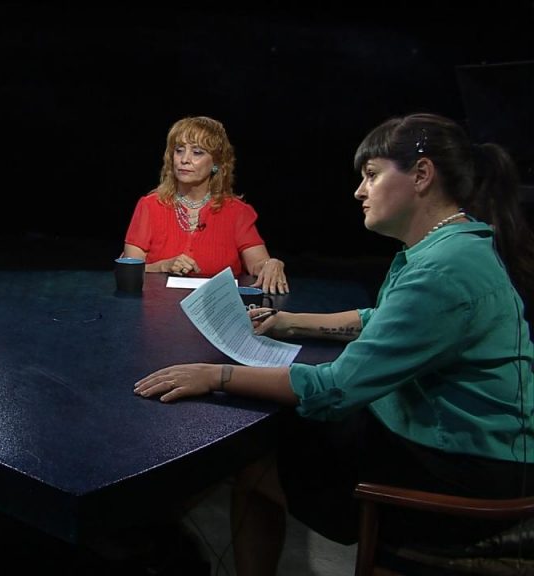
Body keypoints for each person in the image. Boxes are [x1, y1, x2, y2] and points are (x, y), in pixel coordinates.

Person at [133, 113, 534, 575]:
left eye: (371, 175)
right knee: (267, 444)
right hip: (472, 448)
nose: (359, 192)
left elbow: (335, 389)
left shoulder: (443, 270)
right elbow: (381, 320)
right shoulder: (448, 248)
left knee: (256, 457)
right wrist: (291, 323)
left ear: (421, 176)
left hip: (467, 470)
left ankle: (154, 535)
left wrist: (214, 375)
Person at [121, 116, 289, 294]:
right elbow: (129, 268)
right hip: (155, 309)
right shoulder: (150, 205)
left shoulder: (237, 212)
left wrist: (272, 264)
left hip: (215, 311)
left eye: (197, 152)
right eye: (179, 150)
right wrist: (163, 265)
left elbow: (258, 264)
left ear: (216, 163)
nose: (184, 159)